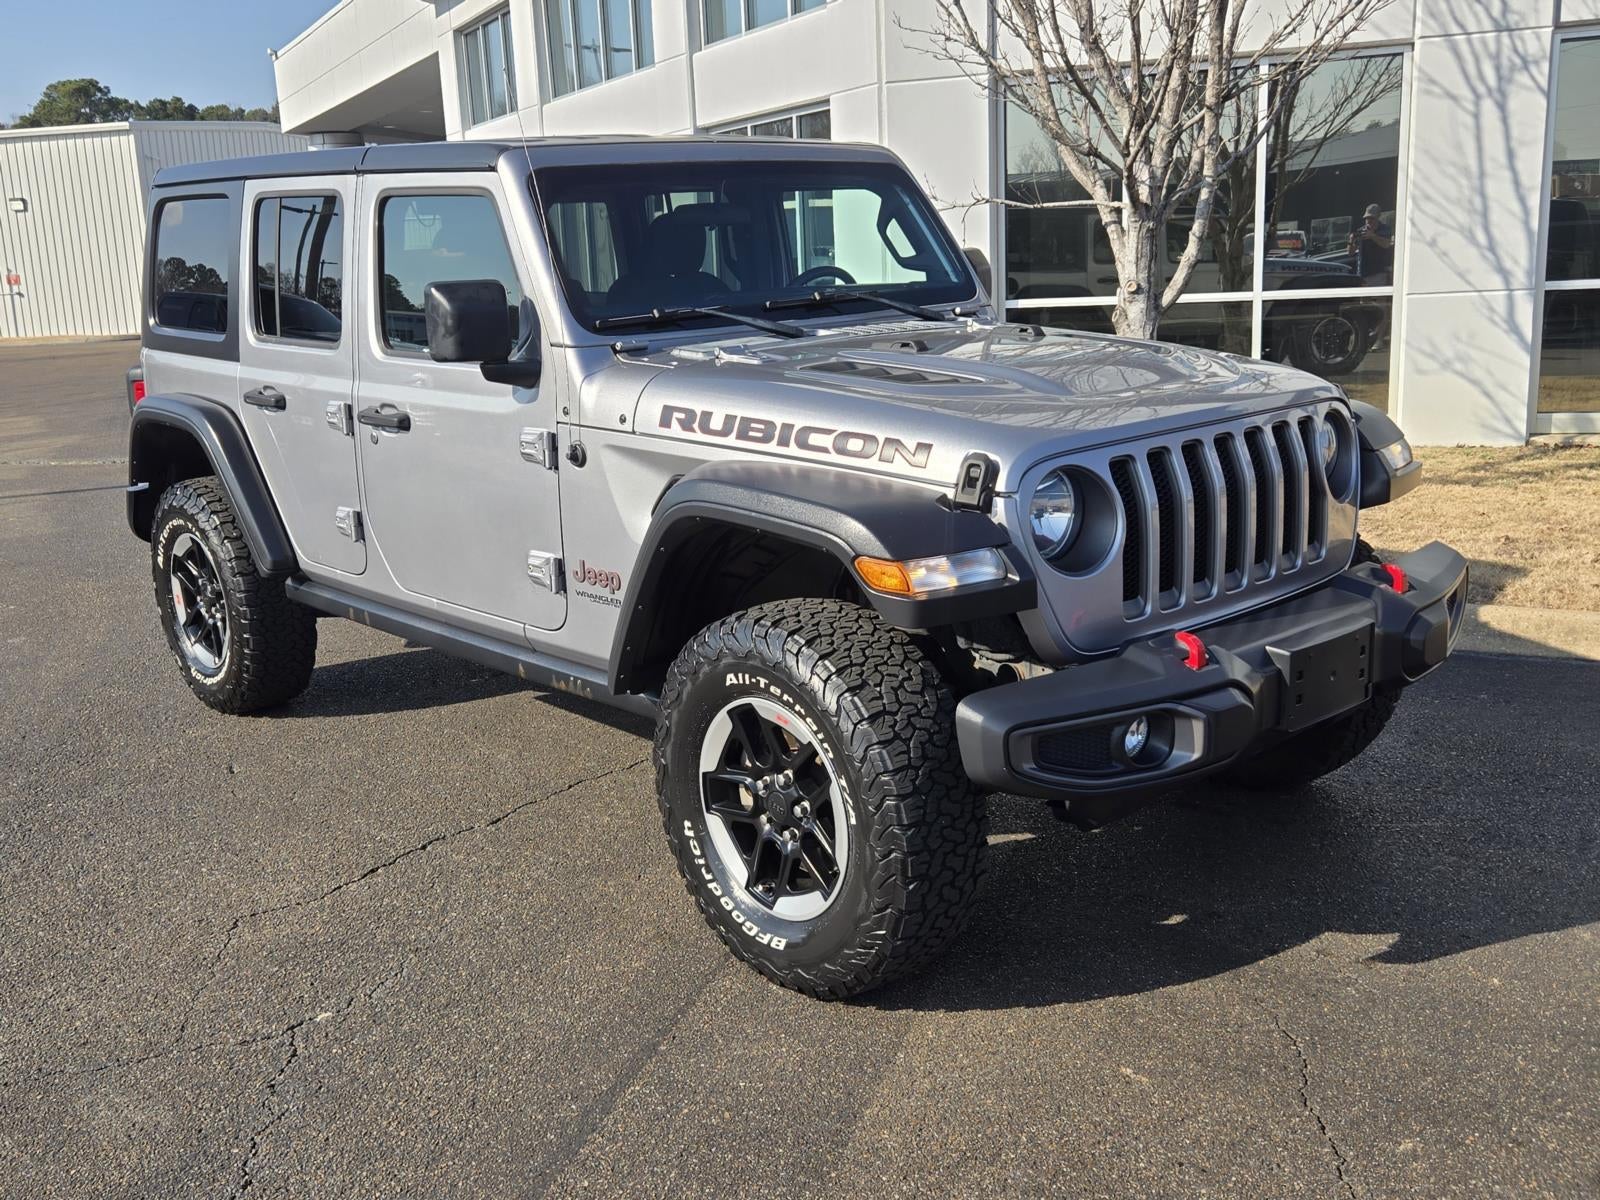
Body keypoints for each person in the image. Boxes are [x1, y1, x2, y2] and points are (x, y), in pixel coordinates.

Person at [1348, 203, 1394, 285]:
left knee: (1377, 297)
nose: (1369, 221)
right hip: (1362, 274)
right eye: (1367, 218)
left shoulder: (1384, 229)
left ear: (1378, 217)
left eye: (1371, 218)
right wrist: (1351, 241)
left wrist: (1372, 236)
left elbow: (1386, 244)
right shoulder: (1361, 231)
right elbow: (1350, 253)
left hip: (1379, 273)